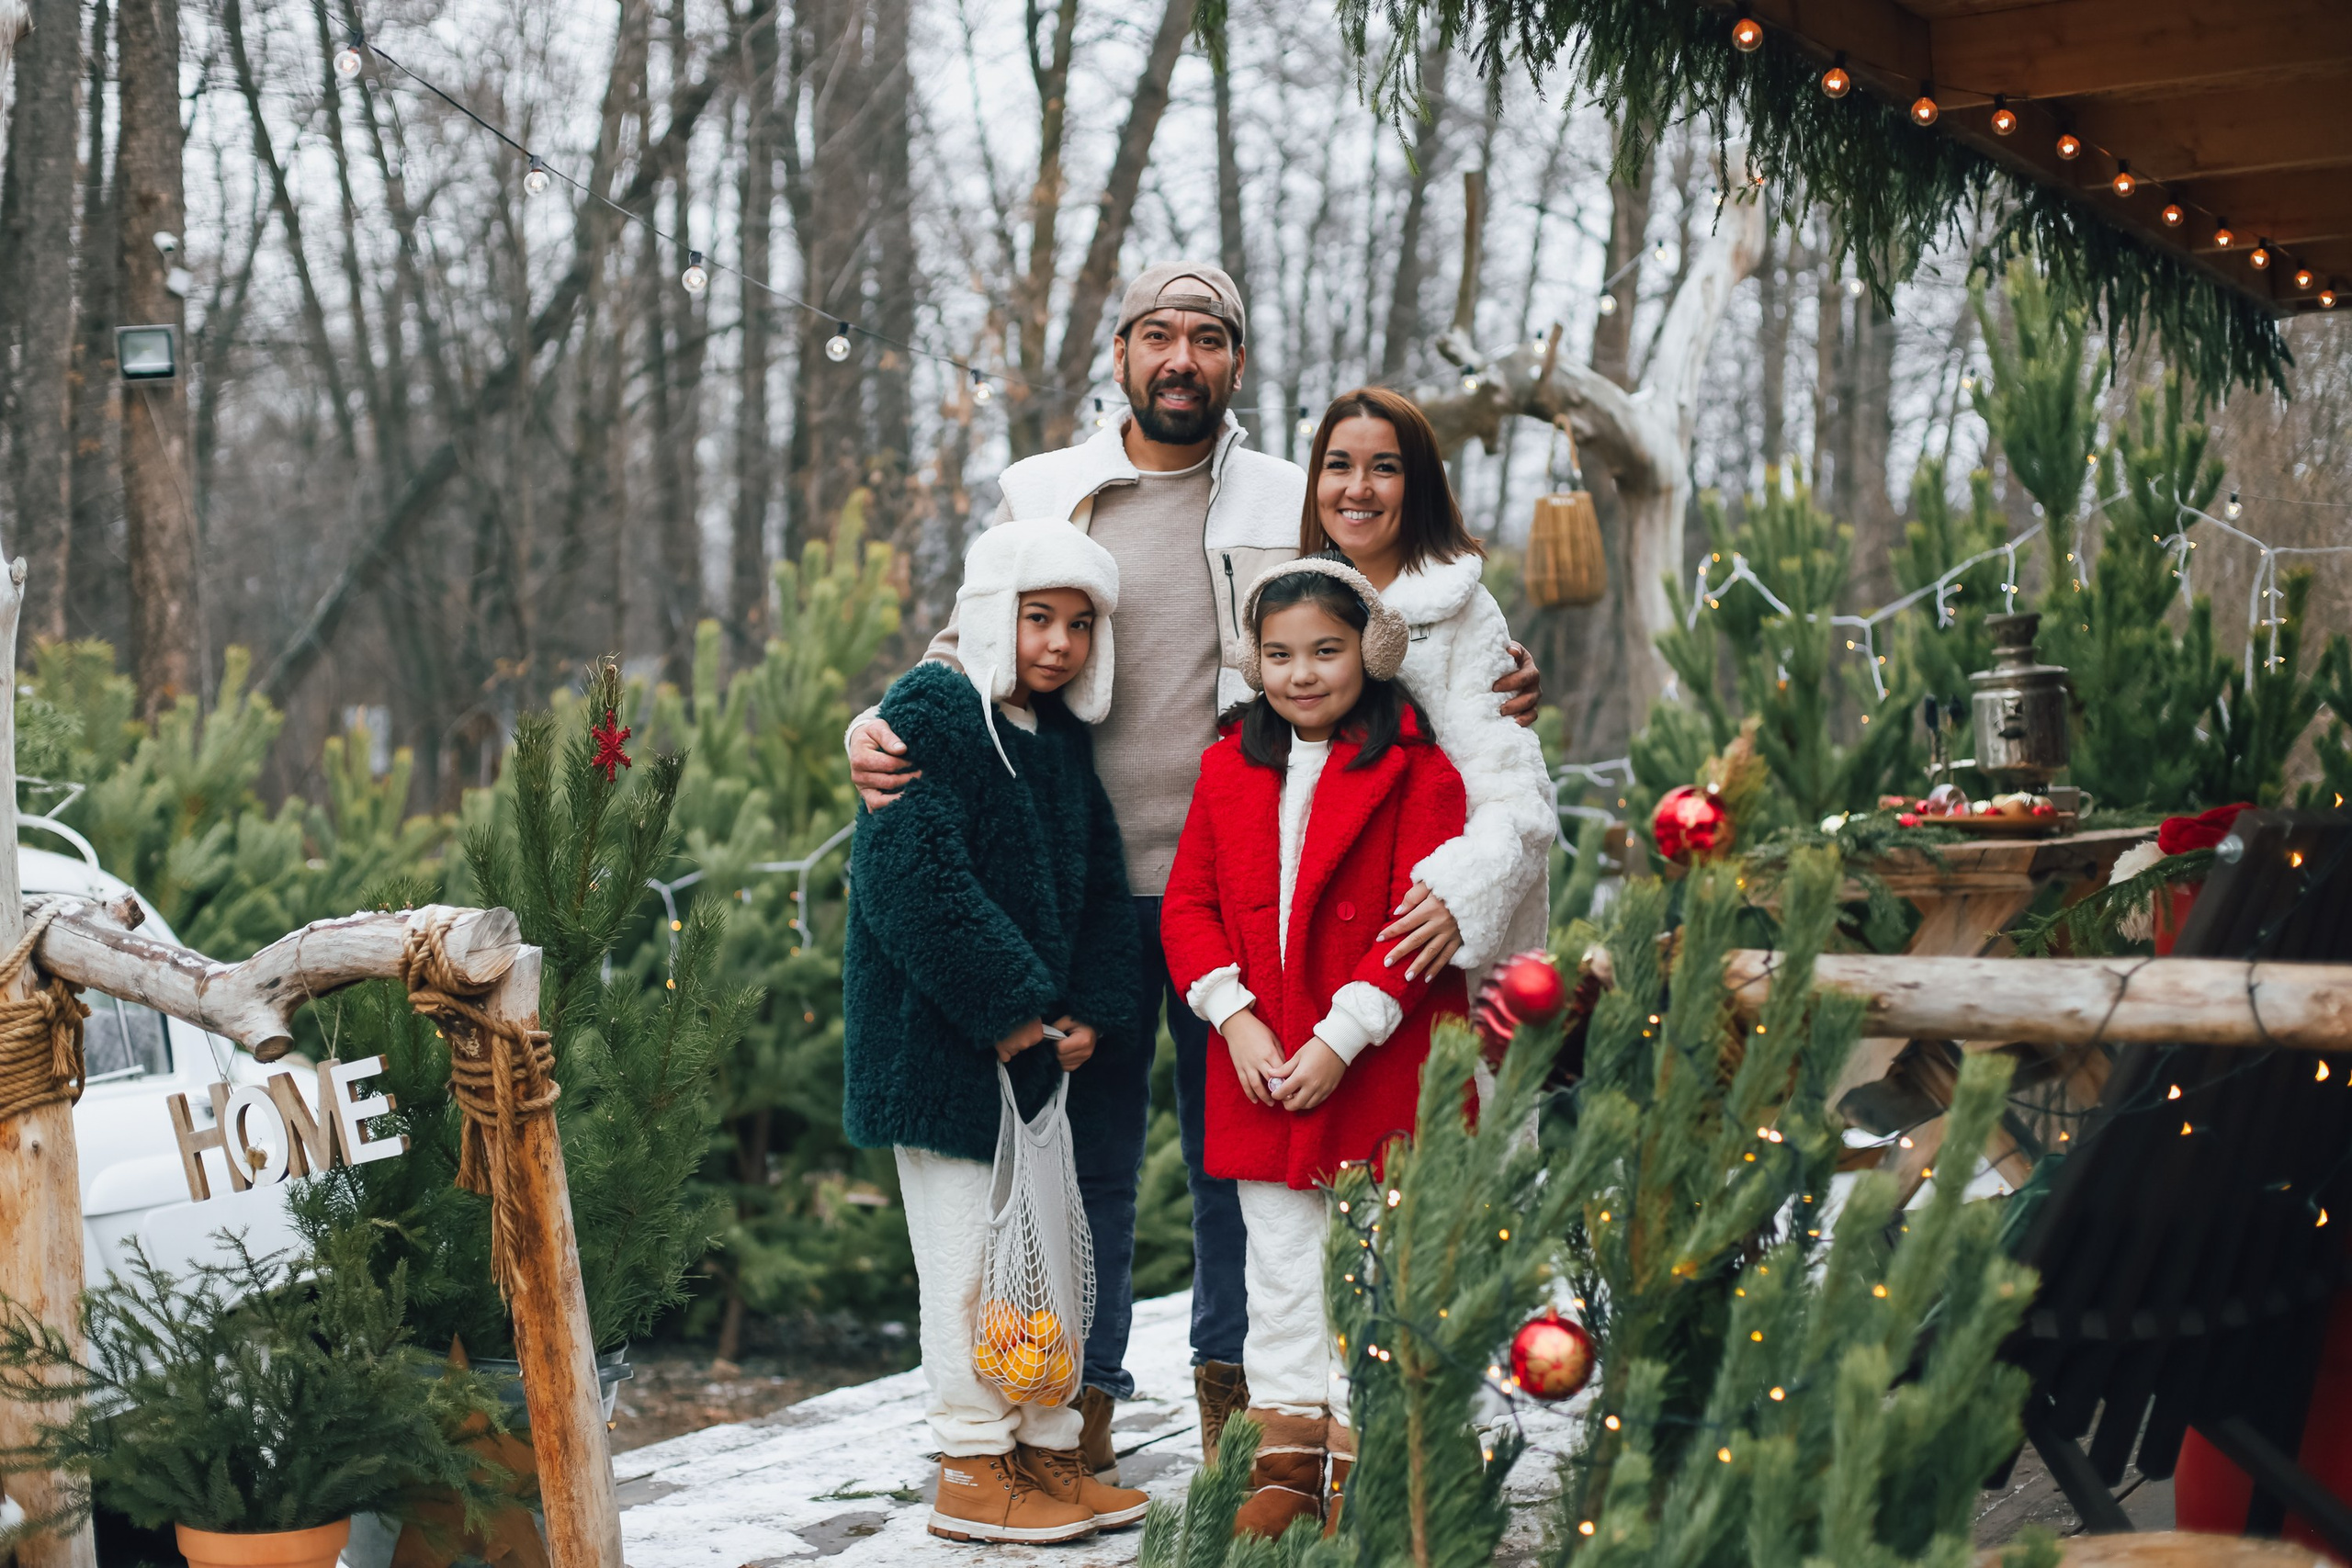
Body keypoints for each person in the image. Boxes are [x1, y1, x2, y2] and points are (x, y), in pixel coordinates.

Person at [846, 263, 1544, 1472]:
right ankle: (1087, 1395)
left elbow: (1383, 614)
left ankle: (1244, 1410)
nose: (1182, 357)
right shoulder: (1046, 492)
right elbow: (978, 633)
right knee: (1092, 1163)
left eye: (1208, 337)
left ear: (1235, 361)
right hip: (1081, 898)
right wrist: (877, 720)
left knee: (1243, 1162)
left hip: (1240, 890)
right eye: (1158, 334)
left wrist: (1500, 667)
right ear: (1119, 352)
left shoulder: (1288, 498)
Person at [841, 519, 1151, 1545]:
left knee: (1042, 1261)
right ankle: (974, 1463)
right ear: (988, 612)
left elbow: (1102, 882)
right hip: (940, 1055)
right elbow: (913, 883)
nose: (1057, 644)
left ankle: (1047, 1451)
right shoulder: (933, 711)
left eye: (1076, 625)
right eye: (1036, 618)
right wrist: (1013, 1009)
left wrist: (1091, 1010)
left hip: (1033, 1059)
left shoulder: (1058, 737)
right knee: (971, 1264)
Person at [1159, 554, 1472, 1538]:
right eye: (1282, 654)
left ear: (1369, 655)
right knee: (1280, 1272)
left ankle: (1377, 1460)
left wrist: (1341, 1037)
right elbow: (1189, 906)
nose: (1302, 674)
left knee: (1373, 1266)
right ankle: (1285, 1465)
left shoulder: (1421, 773)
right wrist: (1235, 1017)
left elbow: (1414, 931)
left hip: (1372, 1064)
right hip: (1258, 1067)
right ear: (1256, 664)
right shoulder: (1225, 767)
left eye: (1326, 652)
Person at [1297, 388, 1555, 972]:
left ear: (1417, 486)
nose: (1358, 488)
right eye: (1339, 465)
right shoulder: (1294, 603)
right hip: (1314, 929)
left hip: (1416, 930)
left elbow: (1516, 798)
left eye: (1384, 468)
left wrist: (1459, 895)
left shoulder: (1463, 613)